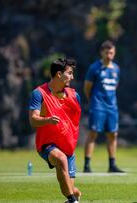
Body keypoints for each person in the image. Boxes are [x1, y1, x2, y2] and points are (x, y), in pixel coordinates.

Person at [28, 58, 82, 203]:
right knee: (60, 159)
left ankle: (72, 195)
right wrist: (48, 120)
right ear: (59, 74)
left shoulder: (75, 96)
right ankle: (72, 200)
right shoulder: (39, 93)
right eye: (70, 73)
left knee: (71, 188)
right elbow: (33, 120)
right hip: (47, 144)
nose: (72, 77)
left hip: (68, 147)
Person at [83, 40, 124, 173]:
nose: (109, 55)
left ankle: (112, 164)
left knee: (113, 134)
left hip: (112, 107)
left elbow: (115, 87)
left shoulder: (116, 68)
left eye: (111, 52)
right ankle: (87, 165)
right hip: (98, 106)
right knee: (93, 133)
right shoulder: (94, 68)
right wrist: (93, 101)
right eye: (106, 52)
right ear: (101, 52)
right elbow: (87, 88)